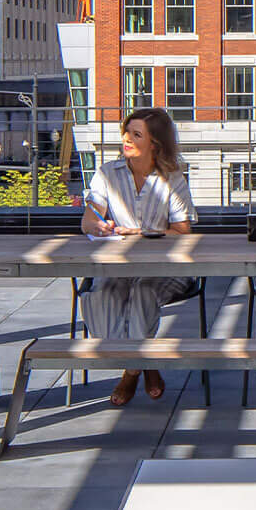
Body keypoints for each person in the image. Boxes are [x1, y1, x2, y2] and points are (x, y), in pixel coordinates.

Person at [80, 108, 198, 405]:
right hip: (118, 267)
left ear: (155, 143)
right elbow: (88, 220)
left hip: (165, 268)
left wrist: (139, 233)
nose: (126, 139)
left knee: (144, 290)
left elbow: (182, 231)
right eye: (126, 132)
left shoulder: (173, 177)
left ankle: (129, 373)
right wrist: (99, 224)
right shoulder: (107, 173)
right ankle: (144, 364)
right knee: (101, 294)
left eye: (136, 134)